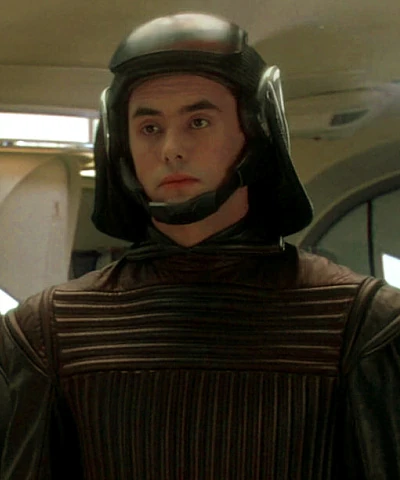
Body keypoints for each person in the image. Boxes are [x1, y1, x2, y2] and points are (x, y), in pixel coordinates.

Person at [1, 12, 400, 480]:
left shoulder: (365, 325)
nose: (171, 148)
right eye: (150, 128)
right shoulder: (45, 333)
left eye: (199, 121)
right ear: (120, 146)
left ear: (256, 131)